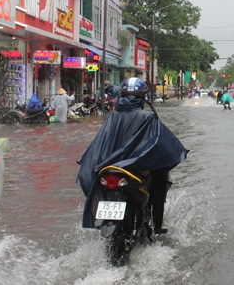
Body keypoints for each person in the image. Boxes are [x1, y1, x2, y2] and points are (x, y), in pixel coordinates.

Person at [77, 77, 188, 235]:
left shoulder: (112, 117)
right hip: (135, 168)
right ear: (142, 97)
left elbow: (100, 144)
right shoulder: (148, 117)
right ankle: (156, 224)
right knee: (160, 175)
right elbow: (161, 143)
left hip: (110, 166)